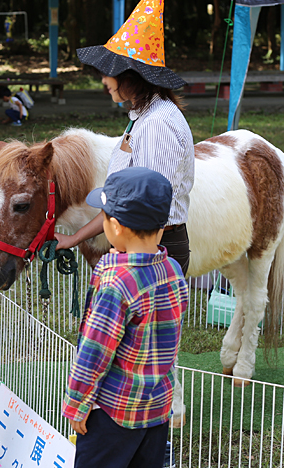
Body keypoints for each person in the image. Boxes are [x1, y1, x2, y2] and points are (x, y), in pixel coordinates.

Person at [55, 0, 194, 275]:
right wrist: (75, 238)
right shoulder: (143, 116)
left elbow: (150, 205)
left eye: (109, 71)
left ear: (132, 76)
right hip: (139, 243)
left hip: (153, 250)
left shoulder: (158, 125)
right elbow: (125, 200)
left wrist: (126, 256)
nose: (103, 79)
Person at [62, 167, 186, 468]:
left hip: (112, 414)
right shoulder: (173, 271)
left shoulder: (116, 283)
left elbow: (95, 352)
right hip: (157, 408)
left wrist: (77, 404)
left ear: (115, 226)